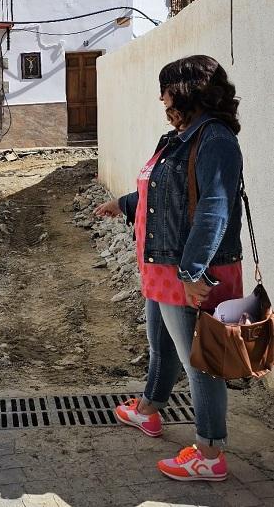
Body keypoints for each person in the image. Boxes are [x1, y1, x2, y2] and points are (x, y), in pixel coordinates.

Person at [94, 55, 243, 482]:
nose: (161, 98)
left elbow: (213, 209)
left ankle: (210, 453)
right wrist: (122, 204)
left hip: (189, 274)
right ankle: (148, 412)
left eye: (166, 89)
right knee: (161, 347)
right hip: (162, 269)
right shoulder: (178, 138)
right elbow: (165, 196)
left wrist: (194, 273)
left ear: (186, 91)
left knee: (201, 361)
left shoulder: (214, 139)